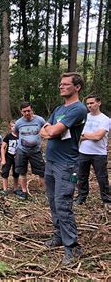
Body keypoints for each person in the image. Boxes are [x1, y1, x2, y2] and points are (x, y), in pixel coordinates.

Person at [40, 72, 87, 266]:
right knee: (53, 201)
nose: (61, 87)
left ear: (77, 87)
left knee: (63, 204)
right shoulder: (59, 108)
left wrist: (51, 131)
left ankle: (72, 247)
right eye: (60, 84)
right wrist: (50, 130)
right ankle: (58, 235)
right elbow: (44, 129)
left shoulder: (78, 109)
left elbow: (52, 131)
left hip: (67, 165)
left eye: (66, 84)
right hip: (50, 161)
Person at [74, 94, 110, 205]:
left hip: (99, 154)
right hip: (83, 152)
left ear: (98, 103)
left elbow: (98, 137)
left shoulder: (105, 119)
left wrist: (84, 136)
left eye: (92, 103)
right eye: (88, 103)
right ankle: (81, 197)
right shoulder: (84, 117)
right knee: (81, 176)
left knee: (102, 178)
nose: (89, 105)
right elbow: (77, 134)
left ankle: (106, 199)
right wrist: (88, 135)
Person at [13, 102, 46, 200]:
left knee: (42, 171)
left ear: (32, 110)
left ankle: (44, 191)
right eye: (24, 111)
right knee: (22, 171)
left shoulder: (39, 120)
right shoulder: (18, 122)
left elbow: (45, 129)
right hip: (22, 150)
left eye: (29, 110)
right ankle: (24, 192)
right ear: (21, 112)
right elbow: (16, 133)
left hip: (36, 150)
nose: (27, 113)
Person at [0, 120, 19, 196]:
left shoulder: (21, 136)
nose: (13, 128)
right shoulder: (8, 136)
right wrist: (3, 158)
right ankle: (5, 189)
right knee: (5, 172)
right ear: (10, 127)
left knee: (16, 172)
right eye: (12, 126)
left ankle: (15, 189)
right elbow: (2, 147)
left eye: (15, 126)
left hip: (17, 157)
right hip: (8, 156)